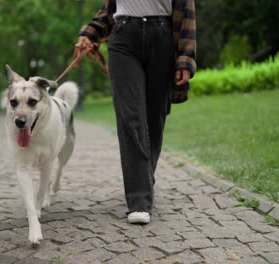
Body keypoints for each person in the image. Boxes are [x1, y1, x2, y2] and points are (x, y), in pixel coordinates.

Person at [75, 0, 196, 224]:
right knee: (130, 118)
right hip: (123, 37)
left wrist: (186, 58)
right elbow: (110, 7)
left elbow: (186, 10)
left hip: (163, 37)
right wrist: (90, 34)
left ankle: (144, 180)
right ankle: (139, 200)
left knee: (154, 119)